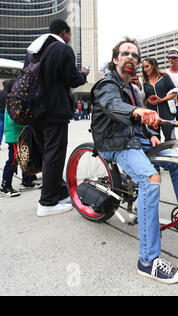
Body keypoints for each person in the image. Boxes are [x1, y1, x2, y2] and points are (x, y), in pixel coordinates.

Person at [91, 37, 178, 285]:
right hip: (115, 143)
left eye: (135, 55)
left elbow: (141, 122)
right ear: (116, 60)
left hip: (137, 141)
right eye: (125, 53)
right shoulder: (107, 84)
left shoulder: (135, 89)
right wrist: (138, 111)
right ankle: (147, 261)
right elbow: (113, 106)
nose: (131, 58)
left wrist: (152, 134)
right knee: (151, 179)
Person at [26, 19, 89, 217]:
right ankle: (47, 202)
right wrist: (84, 74)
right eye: (69, 35)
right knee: (55, 155)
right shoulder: (62, 50)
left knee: (48, 154)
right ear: (64, 32)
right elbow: (73, 79)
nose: (69, 39)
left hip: (34, 111)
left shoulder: (34, 49)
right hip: (54, 111)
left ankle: (59, 192)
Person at [1, 80, 41, 198]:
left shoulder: (15, 101)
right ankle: (5, 185)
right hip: (14, 136)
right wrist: (27, 122)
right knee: (13, 160)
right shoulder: (11, 101)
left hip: (21, 134)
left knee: (25, 158)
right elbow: (14, 121)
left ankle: (27, 181)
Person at [141, 58, 178, 141]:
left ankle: (170, 154)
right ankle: (158, 154)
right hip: (152, 115)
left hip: (166, 113)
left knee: (171, 139)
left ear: (153, 66)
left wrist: (161, 100)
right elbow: (143, 101)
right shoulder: (144, 83)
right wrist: (148, 101)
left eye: (147, 66)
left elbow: (174, 93)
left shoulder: (164, 77)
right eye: (143, 67)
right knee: (154, 140)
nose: (145, 69)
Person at [0, 81, 7, 149]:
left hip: (0, 112)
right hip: (5, 112)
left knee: (0, 127)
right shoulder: (8, 94)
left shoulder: (0, 92)